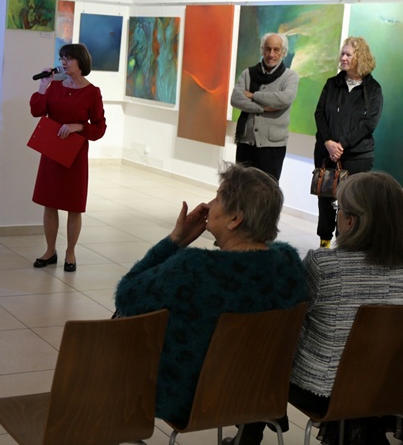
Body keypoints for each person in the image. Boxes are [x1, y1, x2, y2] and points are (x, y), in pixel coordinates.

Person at [227, 172, 403, 445]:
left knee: (265, 343)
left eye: (338, 208)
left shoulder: (325, 265)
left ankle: (249, 436)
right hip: (389, 390)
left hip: (324, 391)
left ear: (351, 222)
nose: (336, 214)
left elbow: (283, 315)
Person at [114, 163, 308, 427]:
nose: (209, 204)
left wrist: (176, 240)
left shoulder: (194, 268)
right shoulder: (289, 264)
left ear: (235, 218)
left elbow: (126, 295)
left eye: (217, 198)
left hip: (188, 399)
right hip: (258, 395)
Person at [30, 43, 106, 272]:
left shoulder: (92, 92)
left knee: (74, 206)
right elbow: (36, 111)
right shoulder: (54, 86)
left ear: (81, 62)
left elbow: (99, 128)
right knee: (50, 203)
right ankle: (49, 250)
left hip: (75, 156)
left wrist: (78, 126)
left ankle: (70, 252)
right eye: (62, 58)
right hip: (52, 152)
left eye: (69, 58)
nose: (63, 62)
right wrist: (42, 86)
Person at [314, 36, 383, 248]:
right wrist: (328, 142)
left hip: (357, 157)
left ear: (360, 58)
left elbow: (369, 123)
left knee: (350, 203)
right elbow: (319, 114)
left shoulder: (373, 89)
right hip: (326, 153)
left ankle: (345, 246)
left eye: (348, 55)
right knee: (325, 200)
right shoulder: (331, 84)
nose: (343, 58)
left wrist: (341, 144)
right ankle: (324, 244)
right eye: (342, 54)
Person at [231, 32, 299, 181]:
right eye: (267, 49)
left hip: (272, 147)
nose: (271, 54)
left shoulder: (290, 76)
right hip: (246, 142)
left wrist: (253, 95)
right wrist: (262, 108)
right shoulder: (248, 74)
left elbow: (285, 99)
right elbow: (235, 99)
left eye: (276, 50)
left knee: (268, 189)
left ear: (284, 52)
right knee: (241, 187)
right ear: (262, 50)